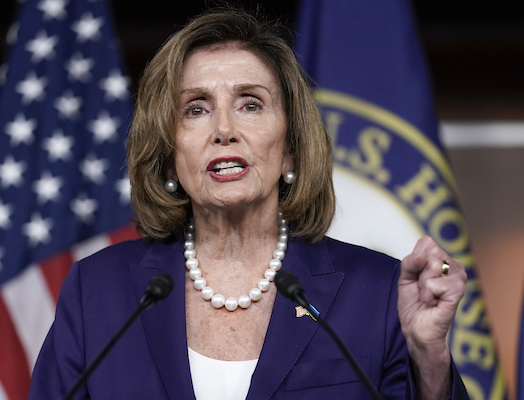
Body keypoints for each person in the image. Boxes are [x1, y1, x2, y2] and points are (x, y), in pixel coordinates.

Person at [29, 8, 468, 399]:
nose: (224, 129)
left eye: (251, 104)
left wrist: (429, 359)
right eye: (196, 109)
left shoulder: (374, 292)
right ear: (167, 153)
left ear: (291, 148)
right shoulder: (98, 292)